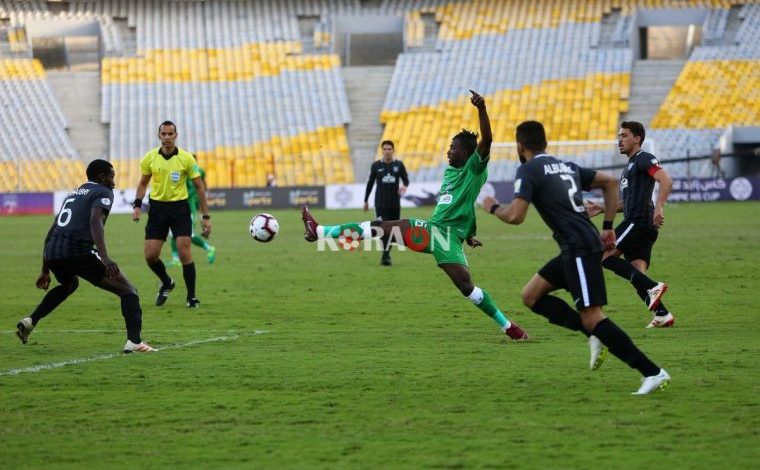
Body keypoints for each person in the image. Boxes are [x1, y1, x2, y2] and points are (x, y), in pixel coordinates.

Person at [302, 91, 528, 341]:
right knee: (378, 227)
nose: (448, 152)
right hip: (431, 230)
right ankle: (320, 231)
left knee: (467, 288)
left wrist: (482, 109)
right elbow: (458, 206)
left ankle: (509, 327)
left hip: (447, 240)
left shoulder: (473, 168)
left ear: (466, 154)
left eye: (453, 148)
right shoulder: (449, 174)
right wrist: (470, 234)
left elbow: (487, 140)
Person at [482, 120, 669, 394]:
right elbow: (609, 182)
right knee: (531, 296)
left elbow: (515, 216)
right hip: (577, 246)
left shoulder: (528, 170)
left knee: (593, 317)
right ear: (545, 143)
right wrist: (606, 227)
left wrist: (492, 206)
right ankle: (594, 334)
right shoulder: (566, 166)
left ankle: (652, 372)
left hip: (580, 248)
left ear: (520, 146)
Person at [15, 160, 155, 353]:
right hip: (78, 250)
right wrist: (105, 258)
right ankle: (134, 341)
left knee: (69, 284)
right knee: (129, 291)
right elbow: (95, 220)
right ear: (100, 177)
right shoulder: (103, 192)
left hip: (54, 251)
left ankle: (31, 321)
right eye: (111, 177)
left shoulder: (73, 193)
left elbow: (53, 229)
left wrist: (45, 269)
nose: (113, 182)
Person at [586, 121, 675, 328]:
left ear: (637, 139)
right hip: (641, 225)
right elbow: (627, 202)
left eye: (624, 135)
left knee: (604, 255)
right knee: (637, 275)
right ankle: (662, 315)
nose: (620, 140)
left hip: (638, 222)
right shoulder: (629, 167)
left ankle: (654, 287)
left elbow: (666, 180)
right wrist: (601, 208)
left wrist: (660, 206)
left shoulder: (644, 158)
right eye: (619, 136)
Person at [132, 121, 211, 308]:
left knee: (184, 253)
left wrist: (205, 217)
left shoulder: (186, 159)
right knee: (150, 256)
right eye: (164, 134)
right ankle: (167, 282)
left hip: (180, 209)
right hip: (157, 209)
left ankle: (191, 297)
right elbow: (143, 183)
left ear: (176, 135)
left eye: (170, 134)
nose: (167, 137)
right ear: (159, 135)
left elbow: (199, 187)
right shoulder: (150, 158)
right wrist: (137, 205)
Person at [363, 140, 409, 265]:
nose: (387, 151)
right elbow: (370, 183)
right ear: (382, 150)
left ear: (393, 150)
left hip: (394, 203)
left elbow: (406, 180)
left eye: (389, 149)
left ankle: (386, 254)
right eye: (385, 149)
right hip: (380, 203)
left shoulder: (399, 165)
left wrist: (404, 186)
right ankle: (386, 255)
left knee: (393, 230)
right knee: (383, 229)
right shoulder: (376, 166)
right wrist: (366, 200)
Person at [166, 154, 216, 266]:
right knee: (173, 233)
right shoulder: (180, 171)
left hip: (188, 206)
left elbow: (202, 184)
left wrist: (204, 195)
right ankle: (175, 259)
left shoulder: (197, 172)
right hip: (176, 206)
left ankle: (209, 248)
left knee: (188, 234)